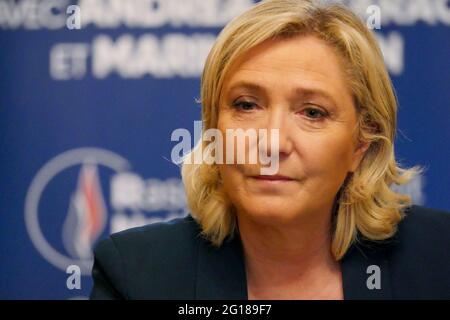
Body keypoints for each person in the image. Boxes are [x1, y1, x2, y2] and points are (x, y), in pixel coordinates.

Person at [90, 0, 450, 299]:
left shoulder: (439, 259)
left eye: (312, 112)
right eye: (246, 105)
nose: (272, 143)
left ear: (361, 143)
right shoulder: (137, 276)